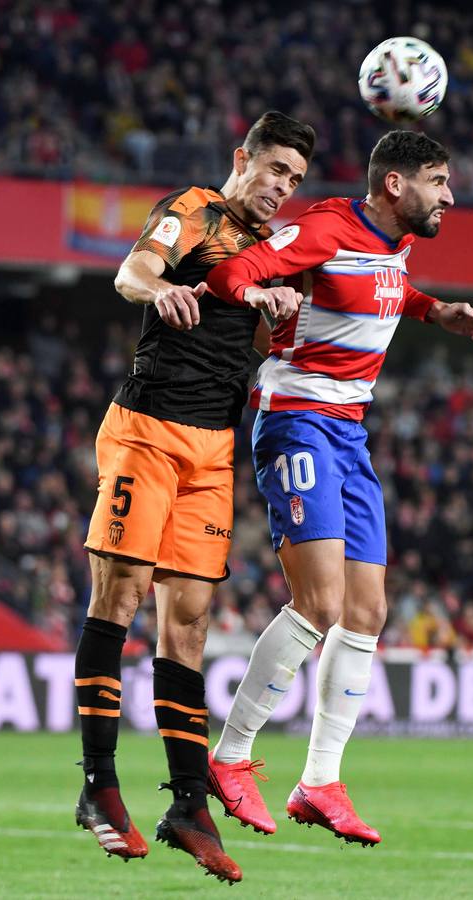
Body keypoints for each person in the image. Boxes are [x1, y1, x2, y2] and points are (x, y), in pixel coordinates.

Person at [205, 130, 473, 845]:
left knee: (366, 611)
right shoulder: (329, 224)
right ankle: (230, 755)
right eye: (437, 180)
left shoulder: (395, 241)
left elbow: (378, 286)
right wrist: (257, 292)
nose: (449, 195)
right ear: (396, 185)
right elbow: (234, 271)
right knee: (320, 601)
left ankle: (320, 780)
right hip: (297, 417)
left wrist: (435, 311)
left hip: (349, 430)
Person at [74, 111, 315, 883]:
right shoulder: (196, 210)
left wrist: (277, 316)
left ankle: (186, 805)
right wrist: (161, 291)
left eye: (295, 179)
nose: (282, 187)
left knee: (189, 625)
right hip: (147, 429)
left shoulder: (277, 257)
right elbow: (133, 273)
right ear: (241, 158)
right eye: (274, 168)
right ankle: (99, 787)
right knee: (122, 597)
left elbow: (253, 347)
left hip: (213, 449)